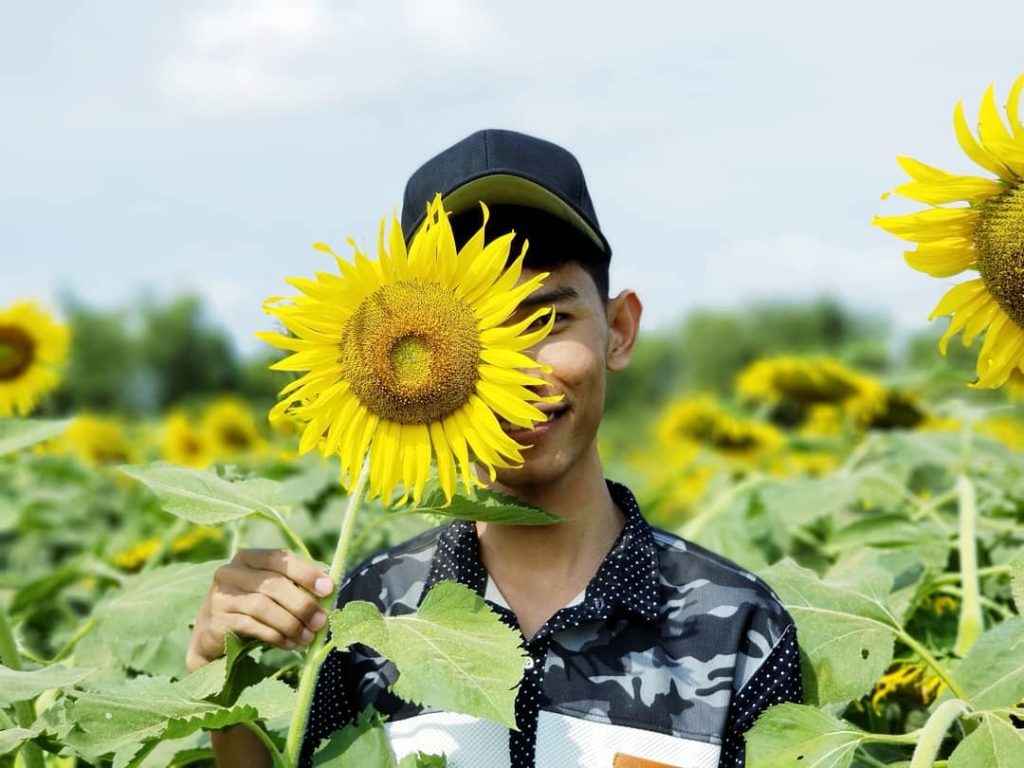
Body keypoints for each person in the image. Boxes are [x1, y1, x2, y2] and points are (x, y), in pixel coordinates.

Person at [187, 129, 803, 768]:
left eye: (547, 321)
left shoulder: (736, 629)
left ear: (618, 331)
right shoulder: (362, 616)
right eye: (475, 335)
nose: (509, 376)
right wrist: (220, 675)